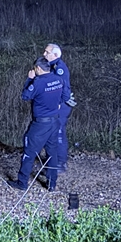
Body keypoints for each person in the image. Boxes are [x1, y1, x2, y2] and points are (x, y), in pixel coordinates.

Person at [8, 56, 65, 191]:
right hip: (55, 121)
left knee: (29, 152)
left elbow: (25, 96)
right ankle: (52, 183)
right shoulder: (59, 79)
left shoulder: (38, 82)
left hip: (40, 124)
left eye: (35, 69)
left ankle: (22, 182)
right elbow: (64, 96)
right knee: (52, 152)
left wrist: (30, 79)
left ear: (38, 68)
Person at [43, 43, 74, 180]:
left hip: (60, 106)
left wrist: (58, 104)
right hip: (54, 105)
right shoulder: (50, 66)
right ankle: (53, 160)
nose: (44, 54)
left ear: (55, 55)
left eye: (47, 52)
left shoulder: (59, 68)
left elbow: (61, 88)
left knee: (58, 133)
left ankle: (60, 163)